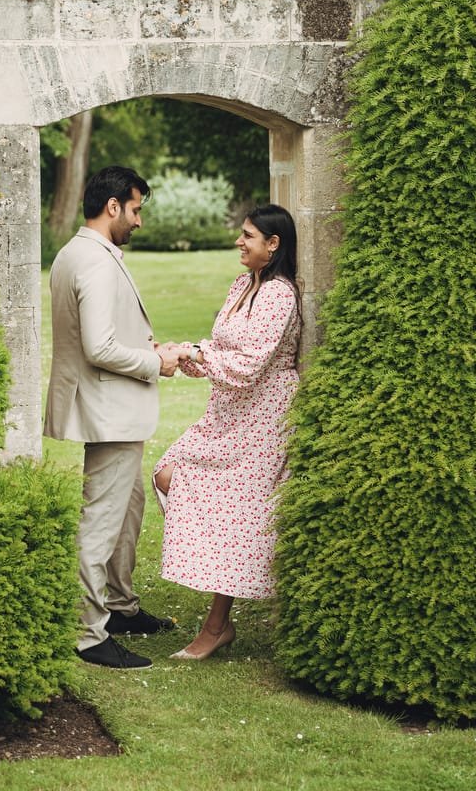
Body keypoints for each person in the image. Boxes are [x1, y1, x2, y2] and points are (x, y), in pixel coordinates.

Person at [44, 165, 185, 670]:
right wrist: (157, 362)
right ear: (113, 206)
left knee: (129, 509)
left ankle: (120, 607)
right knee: (101, 522)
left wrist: (148, 346)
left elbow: (103, 334)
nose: (139, 221)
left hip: (110, 405)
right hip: (109, 408)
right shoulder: (97, 261)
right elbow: (98, 346)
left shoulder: (74, 253)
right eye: (136, 209)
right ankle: (89, 634)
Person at [153, 204, 302, 661]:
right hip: (226, 413)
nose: (239, 241)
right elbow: (221, 348)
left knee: (240, 510)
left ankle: (217, 625)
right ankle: (220, 602)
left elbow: (250, 365)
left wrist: (191, 353)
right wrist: (182, 354)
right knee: (167, 474)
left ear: (272, 245)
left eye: (248, 236)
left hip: (263, 414)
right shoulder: (243, 284)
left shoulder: (279, 294)